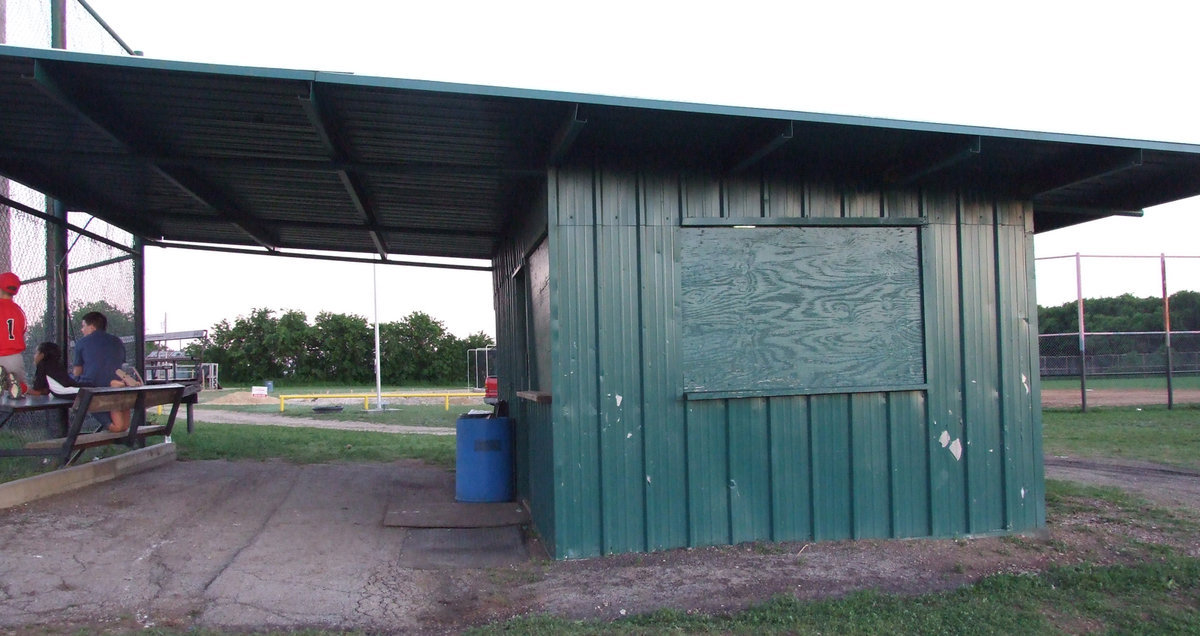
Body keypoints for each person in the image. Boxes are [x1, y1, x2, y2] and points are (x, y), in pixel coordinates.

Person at [73, 311, 132, 431]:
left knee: (118, 427)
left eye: (83, 326)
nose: (81, 330)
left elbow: (77, 372)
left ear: (92, 327)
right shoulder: (117, 341)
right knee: (124, 426)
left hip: (95, 388)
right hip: (116, 387)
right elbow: (119, 366)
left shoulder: (82, 343)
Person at [0, 272, 28, 398]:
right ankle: (12, 381)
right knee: (21, 387)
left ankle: (2, 378)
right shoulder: (19, 310)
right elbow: (22, 330)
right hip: (14, 357)